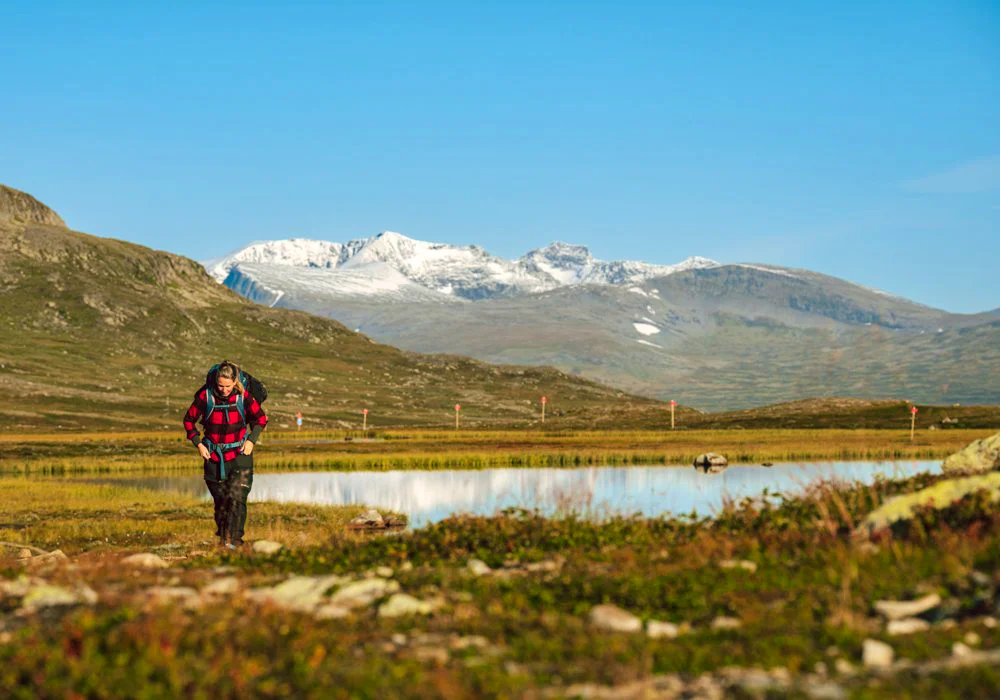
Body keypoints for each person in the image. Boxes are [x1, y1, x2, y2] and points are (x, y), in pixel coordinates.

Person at [183, 360, 268, 548]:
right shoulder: (205, 397)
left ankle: (235, 543)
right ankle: (224, 538)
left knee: (238, 498)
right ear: (215, 382)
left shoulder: (244, 397)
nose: (224, 390)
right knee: (221, 502)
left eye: (228, 386)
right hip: (214, 458)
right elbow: (189, 421)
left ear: (235, 382)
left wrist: (251, 440)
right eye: (220, 386)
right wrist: (198, 444)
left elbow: (261, 418)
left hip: (241, 456)